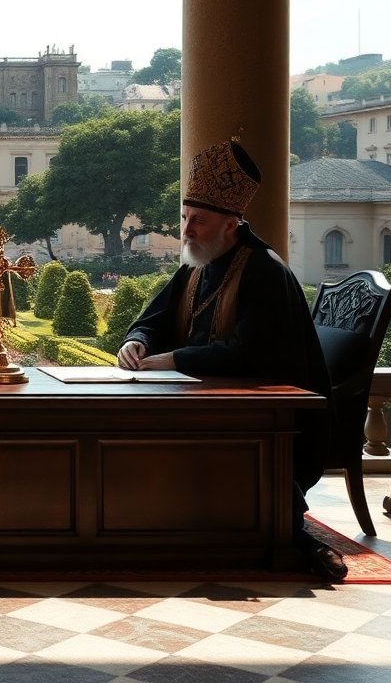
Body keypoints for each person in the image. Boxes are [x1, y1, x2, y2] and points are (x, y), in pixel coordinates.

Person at [117, 139, 341, 580]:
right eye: (184, 219)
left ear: (231, 223)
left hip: (266, 416)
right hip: (198, 403)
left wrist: (175, 360)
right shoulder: (196, 264)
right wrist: (138, 342)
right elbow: (153, 319)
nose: (186, 231)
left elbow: (255, 355)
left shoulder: (266, 272)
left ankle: (288, 531)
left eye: (197, 222)